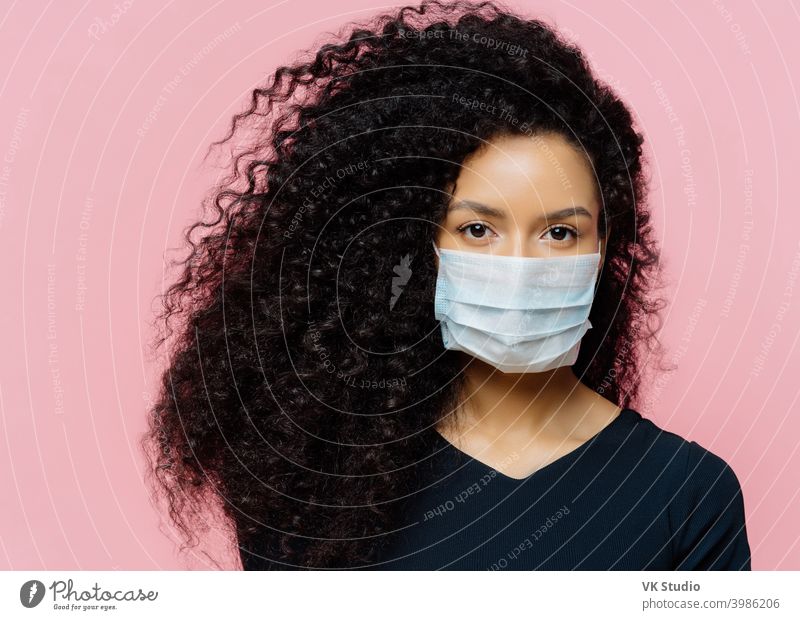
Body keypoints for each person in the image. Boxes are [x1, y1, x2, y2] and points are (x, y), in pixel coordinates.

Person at [142, 0, 751, 570]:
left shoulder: (688, 496)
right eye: (479, 228)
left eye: (560, 233)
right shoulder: (315, 478)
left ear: (604, 244)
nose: (520, 265)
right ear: (414, 242)